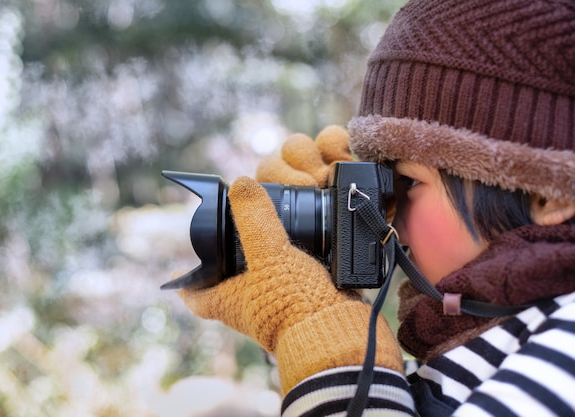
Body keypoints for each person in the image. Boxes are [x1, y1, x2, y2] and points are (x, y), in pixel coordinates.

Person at [173, 0, 575, 415]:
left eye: (407, 181)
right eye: (375, 178)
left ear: (548, 194)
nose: (386, 210)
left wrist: (319, 335)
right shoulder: (476, 328)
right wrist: (314, 303)